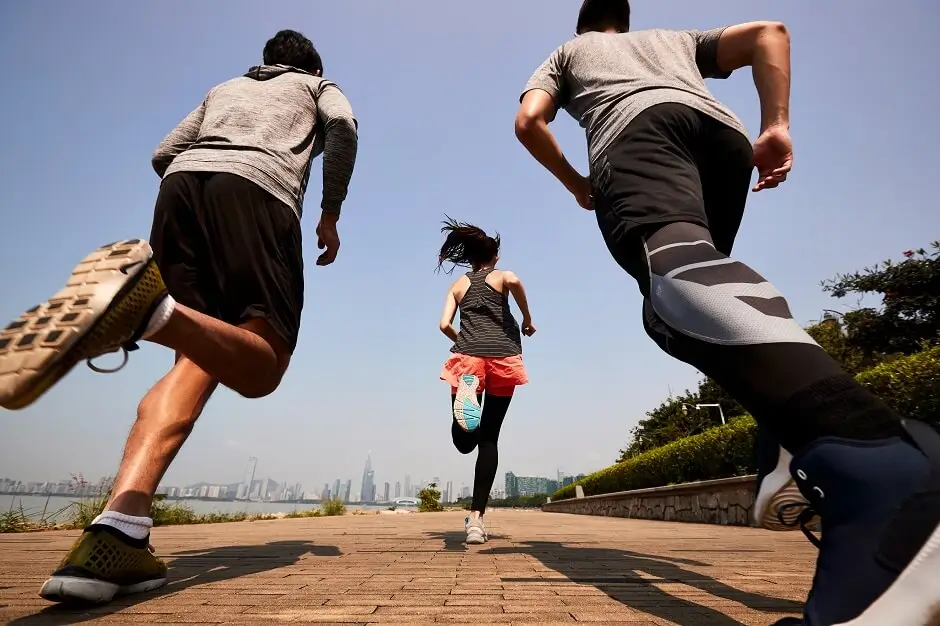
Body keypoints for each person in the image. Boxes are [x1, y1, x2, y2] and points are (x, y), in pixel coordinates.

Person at [514, 1, 940, 624]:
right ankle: (786, 447)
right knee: (688, 299)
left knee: (678, 279)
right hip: (721, 135)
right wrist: (778, 125)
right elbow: (769, 33)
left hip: (636, 134)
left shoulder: (568, 52)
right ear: (624, 18)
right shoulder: (673, 40)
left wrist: (577, 181)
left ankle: (881, 467)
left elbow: (529, 121)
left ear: (584, 21)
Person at [0, 29, 358, 604]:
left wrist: (199, 184)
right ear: (310, 66)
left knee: (197, 360)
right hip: (258, 191)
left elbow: (163, 151)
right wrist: (330, 212)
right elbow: (344, 127)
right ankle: (150, 312)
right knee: (262, 365)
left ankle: (115, 536)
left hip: (179, 188)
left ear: (265, 62)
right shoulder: (318, 86)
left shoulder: (225, 87)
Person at [436, 218, 535, 545]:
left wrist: (463, 337)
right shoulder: (502, 276)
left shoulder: (459, 285)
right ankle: (476, 520)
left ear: (470, 257)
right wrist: (527, 319)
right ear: (494, 256)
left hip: (469, 358)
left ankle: (465, 418)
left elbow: (443, 324)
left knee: (465, 441)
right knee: (490, 439)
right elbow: (516, 280)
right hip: (503, 358)